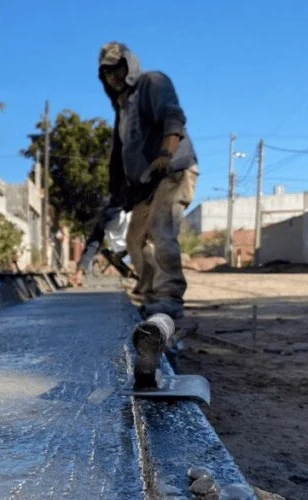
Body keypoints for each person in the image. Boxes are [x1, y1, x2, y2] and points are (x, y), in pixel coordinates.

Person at [96, 41, 199, 319]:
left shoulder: (153, 83)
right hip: (145, 184)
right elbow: (119, 157)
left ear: (130, 65)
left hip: (172, 171)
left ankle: (169, 299)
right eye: (107, 72)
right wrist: (117, 196)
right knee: (134, 239)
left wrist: (166, 151)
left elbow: (172, 115)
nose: (113, 76)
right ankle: (151, 296)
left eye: (118, 68)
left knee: (161, 230)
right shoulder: (122, 108)